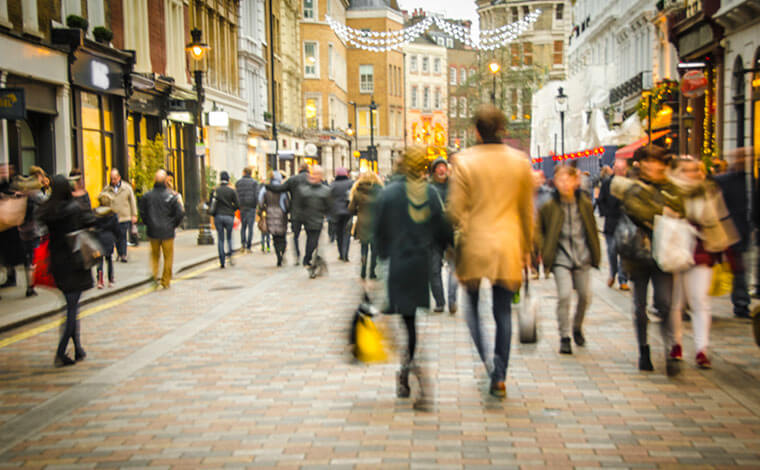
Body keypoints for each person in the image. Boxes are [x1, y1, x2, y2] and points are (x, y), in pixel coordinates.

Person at [448, 105, 534, 398]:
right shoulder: (520, 162)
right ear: (503, 130)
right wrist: (528, 248)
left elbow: (456, 209)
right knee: (502, 312)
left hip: (475, 244)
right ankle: (500, 374)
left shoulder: (463, 161)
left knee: (471, 306)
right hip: (508, 244)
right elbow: (526, 211)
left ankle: (486, 359)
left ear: (475, 131)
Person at [374, 145, 453, 409]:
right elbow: (442, 228)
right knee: (410, 325)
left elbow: (379, 233)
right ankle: (408, 371)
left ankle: (408, 371)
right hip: (419, 265)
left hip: (397, 265)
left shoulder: (388, 193)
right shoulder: (429, 192)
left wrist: (379, 262)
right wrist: (448, 249)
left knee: (401, 323)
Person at [611, 144, 683, 373]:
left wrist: (661, 209)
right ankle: (644, 349)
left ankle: (670, 350)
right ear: (639, 165)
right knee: (639, 307)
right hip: (638, 254)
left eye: (658, 162)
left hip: (665, 253)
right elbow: (638, 211)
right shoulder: (632, 188)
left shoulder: (671, 187)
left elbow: (682, 208)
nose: (654, 166)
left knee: (664, 303)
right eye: (649, 162)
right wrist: (664, 210)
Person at [668, 155, 737, 372]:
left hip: (702, 249)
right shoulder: (669, 191)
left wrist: (726, 245)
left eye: (696, 170)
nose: (694, 174)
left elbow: (720, 219)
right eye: (687, 170)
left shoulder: (709, 191)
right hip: (675, 250)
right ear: (677, 172)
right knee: (675, 303)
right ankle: (675, 344)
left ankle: (701, 349)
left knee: (700, 300)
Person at [537, 165, 601, 355]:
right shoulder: (549, 206)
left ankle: (577, 326)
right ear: (555, 182)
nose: (564, 184)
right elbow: (539, 230)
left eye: (568, 179)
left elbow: (592, 229)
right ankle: (564, 336)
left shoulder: (584, 203)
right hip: (560, 257)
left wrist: (595, 253)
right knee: (564, 295)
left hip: (582, 256)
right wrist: (544, 248)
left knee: (584, 295)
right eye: (560, 180)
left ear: (576, 181)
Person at [38, 175, 96, 367]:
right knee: (72, 308)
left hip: (57, 262)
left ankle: (78, 348)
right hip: (75, 261)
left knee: (71, 305)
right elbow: (90, 220)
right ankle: (61, 352)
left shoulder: (48, 209)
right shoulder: (73, 208)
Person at [713, 148, 751, 318]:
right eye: (741, 156)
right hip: (726, 231)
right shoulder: (722, 181)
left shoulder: (751, 181)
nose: (744, 159)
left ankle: (741, 304)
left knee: (740, 270)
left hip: (743, 231)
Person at [138, 170, 185, 288]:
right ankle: (165, 280)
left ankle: (154, 277)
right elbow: (180, 213)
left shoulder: (147, 196)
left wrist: (148, 223)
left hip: (153, 231)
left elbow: (142, 212)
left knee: (154, 256)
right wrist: (173, 224)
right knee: (168, 257)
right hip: (168, 231)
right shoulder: (172, 196)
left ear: (154, 180)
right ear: (165, 181)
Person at [428, 157, 458, 314]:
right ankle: (440, 302)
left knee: (454, 268)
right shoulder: (428, 188)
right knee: (434, 270)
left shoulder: (455, 187)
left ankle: (452, 301)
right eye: (438, 167)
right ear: (433, 171)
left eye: (443, 167)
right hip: (434, 234)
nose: (441, 170)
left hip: (453, 232)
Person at [266, 163, 311, 264]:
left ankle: (297, 256)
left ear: (299, 169)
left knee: (295, 235)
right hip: (310, 212)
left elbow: (279, 189)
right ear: (308, 169)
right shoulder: (312, 179)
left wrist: (267, 186)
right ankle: (308, 256)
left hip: (296, 212)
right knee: (310, 235)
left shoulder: (293, 179)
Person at [597, 159, 630, 290]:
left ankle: (623, 279)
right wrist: (605, 212)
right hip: (611, 222)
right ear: (613, 169)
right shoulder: (606, 183)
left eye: (622, 169)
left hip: (626, 223)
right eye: (617, 169)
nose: (620, 172)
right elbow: (601, 200)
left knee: (624, 251)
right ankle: (613, 272)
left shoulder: (630, 184)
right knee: (612, 250)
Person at [17, 169, 48, 297]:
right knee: (33, 260)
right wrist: (47, 187)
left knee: (28, 259)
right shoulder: (36, 193)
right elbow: (48, 201)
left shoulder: (23, 192)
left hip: (22, 229)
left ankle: (30, 285)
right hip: (34, 230)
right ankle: (31, 287)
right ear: (37, 177)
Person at [296, 165, 331, 269]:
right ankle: (309, 259)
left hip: (318, 219)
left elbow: (329, 206)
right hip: (307, 219)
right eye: (312, 173)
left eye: (316, 174)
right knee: (311, 240)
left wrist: (327, 215)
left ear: (321, 176)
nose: (313, 176)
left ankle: (309, 259)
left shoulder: (325, 191)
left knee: (313, 240)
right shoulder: (303, 190)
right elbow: (299, 205)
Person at [349, 171, 383, 280]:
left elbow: (351, 209)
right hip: (376, 223)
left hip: (362, 222)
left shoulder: (357, 191)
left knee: (364, 247)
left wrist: (358, 211)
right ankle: (372, 271)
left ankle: (363, 269)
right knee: (374, 249)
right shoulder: (380, 191)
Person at [100, 169, 137, 262]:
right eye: (111, 179)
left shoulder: (127, 187)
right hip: (112, 217)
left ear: (119, 178)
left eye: (115, 179)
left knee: (123, 236)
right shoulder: (107, 189)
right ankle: (120, 253)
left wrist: (134, 214)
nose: (113, 181)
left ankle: (123, 254)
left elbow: (132, 201)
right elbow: (102, 200)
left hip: (124, 216)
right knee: (116, 237)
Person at [259, 171, 290, 266]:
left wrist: (262, 210)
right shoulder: (283, 189)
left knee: (275, 237)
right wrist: (287, 211)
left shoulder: (265, 189)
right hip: (281, 215)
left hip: (270, 214)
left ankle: (278, 256)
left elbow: (260, 201)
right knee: (282, 236)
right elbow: (287, 203)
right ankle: (283, 252)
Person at [210, 171, 240, 268]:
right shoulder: (231, 191)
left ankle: (222, 261)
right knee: (229, 237)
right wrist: (232, 210)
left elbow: (211, 204)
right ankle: (230, 256)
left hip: (218, 216)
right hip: (229, 216)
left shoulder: (215, 191)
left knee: (220, 239)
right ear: (228, 180)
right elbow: (238, 205)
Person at [94, 193, 120, 289]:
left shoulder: (95, 212)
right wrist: (116, 238)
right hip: (109, 238)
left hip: (98, 238)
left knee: (99, 260)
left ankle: (100, 281)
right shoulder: (112, 214)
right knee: (109, 260)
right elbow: (116, 228)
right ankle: (110, 280)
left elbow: (93, 225)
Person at [329, 168, 354, 262]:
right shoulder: (351, 183)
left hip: (336, 212)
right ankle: (345, 253)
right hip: (348, 211)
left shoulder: (333, 184)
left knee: (339, 233)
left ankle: (340, 253)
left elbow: (329, 197)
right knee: (346, 233)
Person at [236, 166, 258, 253]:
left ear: (244, 173)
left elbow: (236, 195)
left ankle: (243, 245)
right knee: (250, 227)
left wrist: (238, 205)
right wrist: (256, 205)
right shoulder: (254, 183)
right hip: (251, 207)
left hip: (242, 207)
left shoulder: (238, 183)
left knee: (243, 227)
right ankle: (249, 247)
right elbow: (256, 195)